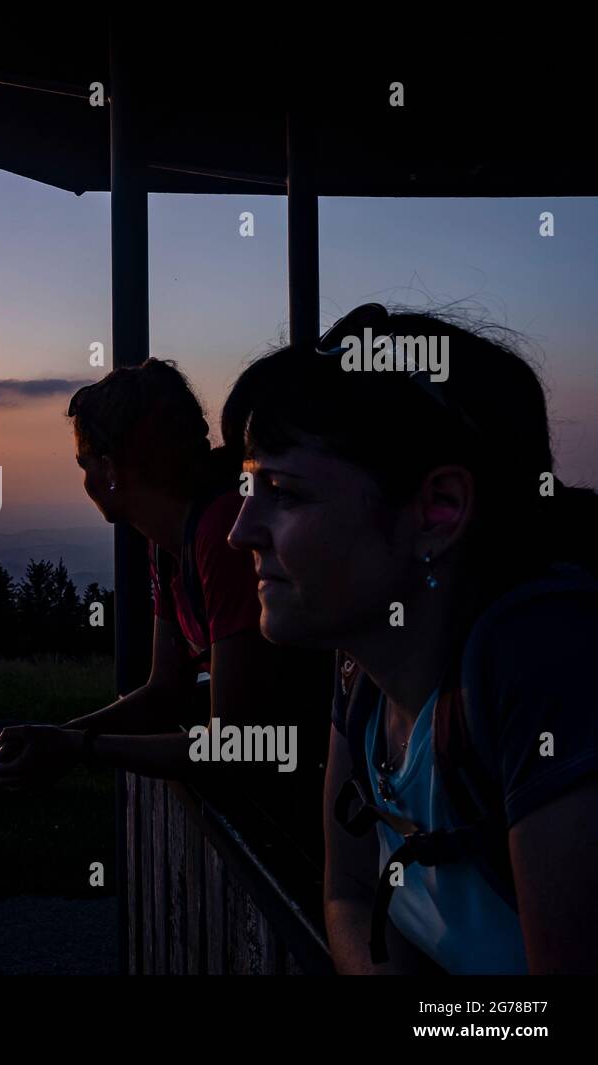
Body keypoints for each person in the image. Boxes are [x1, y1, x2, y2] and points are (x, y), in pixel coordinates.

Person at [227, 303, 598, 974]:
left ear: (439, 510)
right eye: (251, 487)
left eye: (282, 489)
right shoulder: (364, 670)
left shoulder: (543, 666)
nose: (240, 531)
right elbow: (349, 892)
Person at [0, 358, 328, 836]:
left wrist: (79, 747)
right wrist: (61, 739)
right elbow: (164, 692)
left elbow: (232, 744)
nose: (85, 480)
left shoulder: (221, 535)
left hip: (309, 815)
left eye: (84, 465)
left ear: (109, 469)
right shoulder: (170, 544)